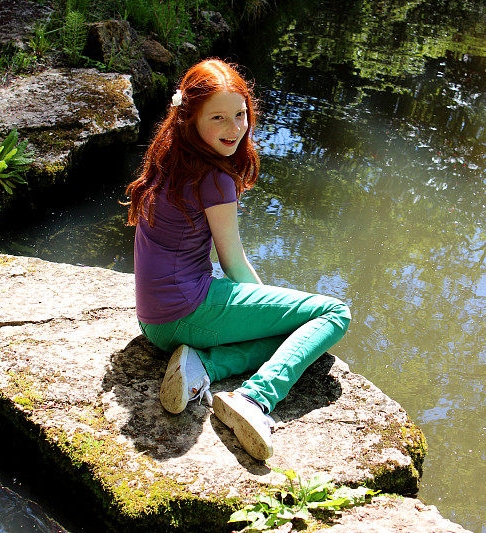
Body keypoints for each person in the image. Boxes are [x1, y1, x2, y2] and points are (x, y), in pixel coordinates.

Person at [125, 59, 351, 461]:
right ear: (189, 118)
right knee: (333, 315)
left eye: (240, 115)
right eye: (218, 118)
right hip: (187, 314)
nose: (234, 128)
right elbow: (233, 261)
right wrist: (275, 314)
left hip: (152, 322)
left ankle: (202, 368)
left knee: (287, 329)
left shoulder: (167, 158)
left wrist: (268, 315)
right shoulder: (215, 179)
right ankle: (255, 398)